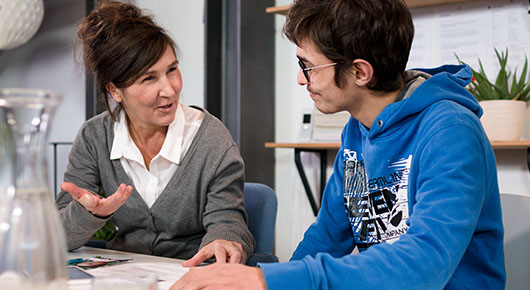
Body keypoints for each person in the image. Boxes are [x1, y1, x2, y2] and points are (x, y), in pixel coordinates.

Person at [170, 0, 506, 288]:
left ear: (360, 72)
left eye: (308, 66)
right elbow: (326, 239)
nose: (301, 78)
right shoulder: (357, 131)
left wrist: (268, 281)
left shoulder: (451, 131)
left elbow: (424, 265)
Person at [56, 0, 254, 265]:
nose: (169, 90)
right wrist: (88, 213)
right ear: (114, 90)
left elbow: (228, 221)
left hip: (188, 273)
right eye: (149, 78)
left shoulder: (211, 138)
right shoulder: (95, 137)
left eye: (171, 70)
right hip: (121, 277)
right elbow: (55, 237)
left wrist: (224, 240)